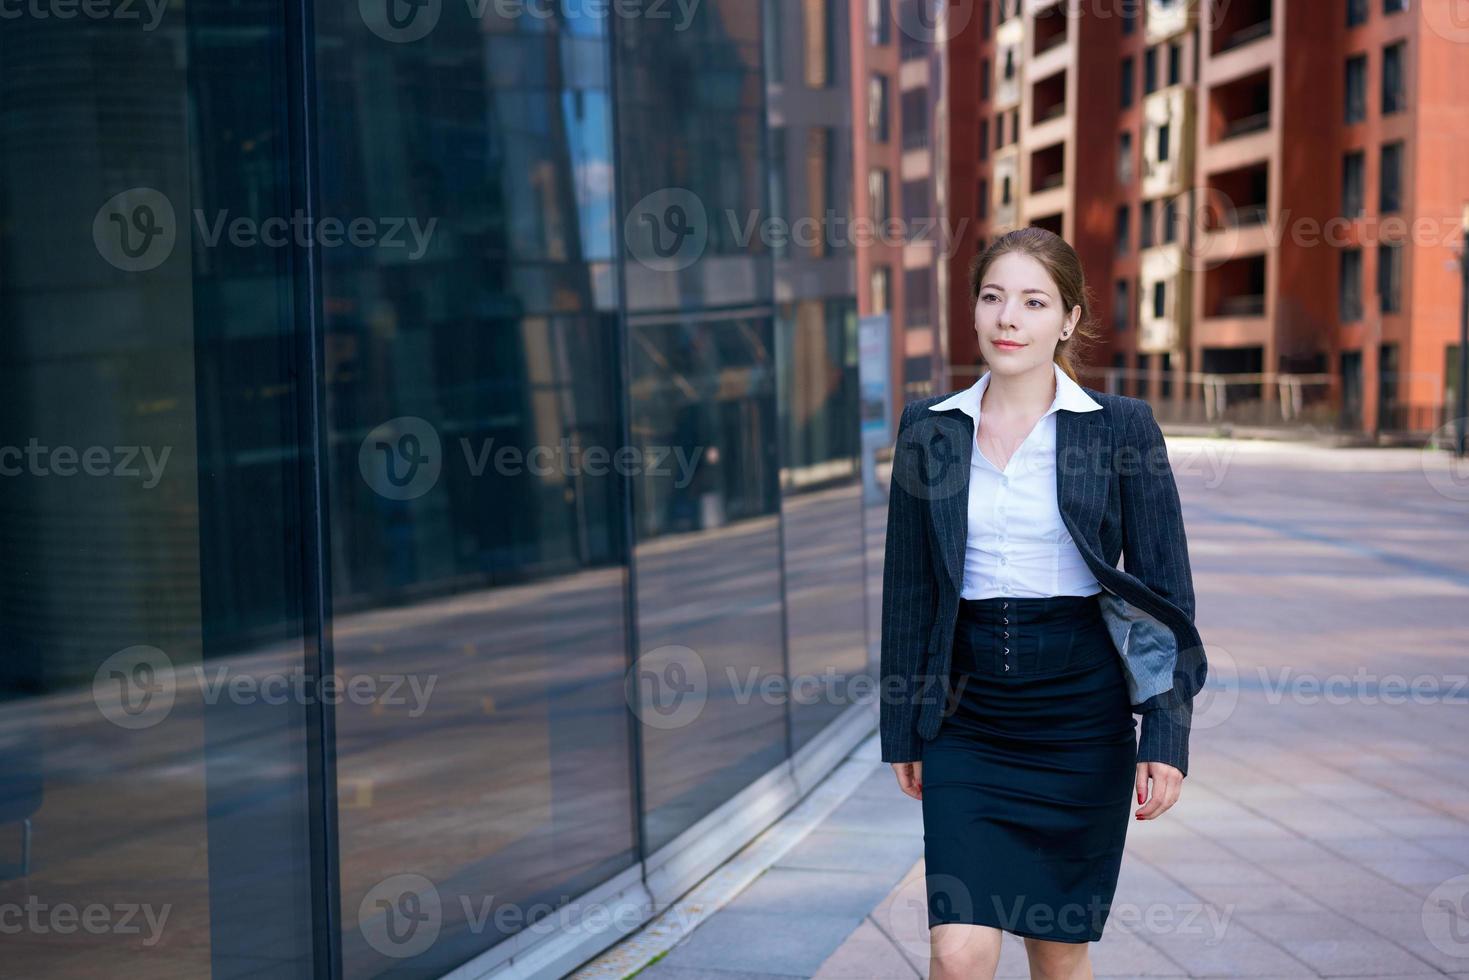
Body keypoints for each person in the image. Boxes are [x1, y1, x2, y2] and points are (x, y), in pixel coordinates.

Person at [879, 227, 1205, 979]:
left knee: (1057, 956)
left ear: (1066, 319)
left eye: (1032, 302)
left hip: (1079, 722)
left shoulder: (1121, 428)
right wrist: (903, 725)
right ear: (973, 311)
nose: (1007, 319)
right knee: (957, 953)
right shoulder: (928, 430)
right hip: (967, 719)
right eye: (992, 298)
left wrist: (1165, 734)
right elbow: (908, 588)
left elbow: (1165, 593)